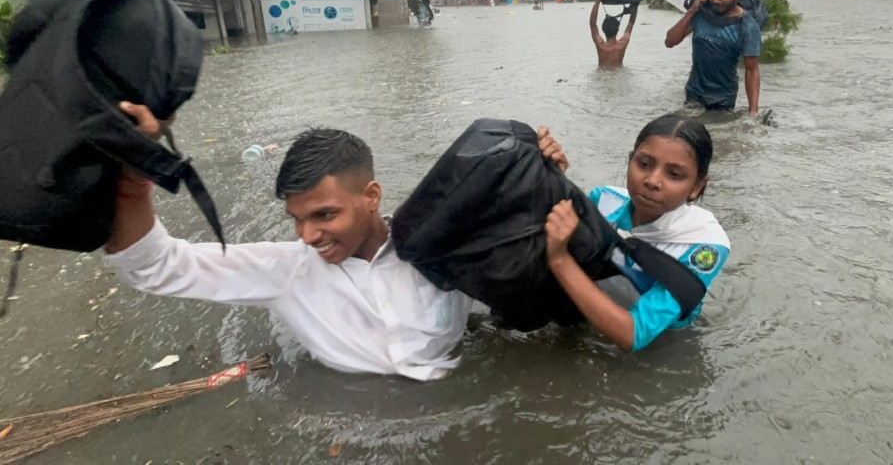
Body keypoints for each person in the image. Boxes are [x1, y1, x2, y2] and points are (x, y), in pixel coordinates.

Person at [103, 102, 569, 381]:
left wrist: (545, 175)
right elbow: (153, 266)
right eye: (297, 219)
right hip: (355, 429)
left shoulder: (445, 242)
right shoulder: (285, 272)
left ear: (371, 196)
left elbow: (535, 263)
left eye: (324, 215)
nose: (307, 236)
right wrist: (132, 172)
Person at [539, 114, 730, 351]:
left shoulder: (702, 244)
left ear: (696, 187)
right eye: (644, 164)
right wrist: (554, 178)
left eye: (674, 174)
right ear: (630, 160)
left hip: (664, 342)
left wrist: (559, 260)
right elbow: (563, 234)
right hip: (600, 302)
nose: (652, 180)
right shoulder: (604, 199)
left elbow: (634, 334)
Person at [665, 0, 762, 116]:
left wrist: (753, 110)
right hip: (694, 93)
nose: (716, 0)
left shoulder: (747, 26)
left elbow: (752, 70)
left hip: (723, 98)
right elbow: (670, 41)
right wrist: (692, 10)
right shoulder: (702, 14)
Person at [590, 0, 638, 66]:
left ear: (603, 30)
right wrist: (635, 3)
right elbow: (631, 23)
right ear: (617, 29)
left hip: (604, 75)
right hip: (619, 75)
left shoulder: (601, 46)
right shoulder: (623, 44)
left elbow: (592, 24)